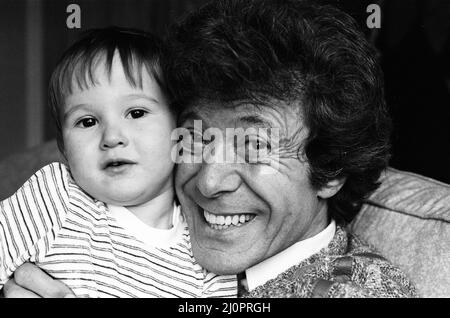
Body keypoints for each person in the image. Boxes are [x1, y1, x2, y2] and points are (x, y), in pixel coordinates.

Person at [3, 0, 417, 298]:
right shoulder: (124, 219)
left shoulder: (357, 290)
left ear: (329, 170)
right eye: (195, 137)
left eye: (253, 146)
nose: (210, 180)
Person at [0, 27, 236, 298]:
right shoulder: (55, 198)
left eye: (136, 113)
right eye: (87, 122)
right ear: (64, 147)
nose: (112, 137)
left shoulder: (206, 251)